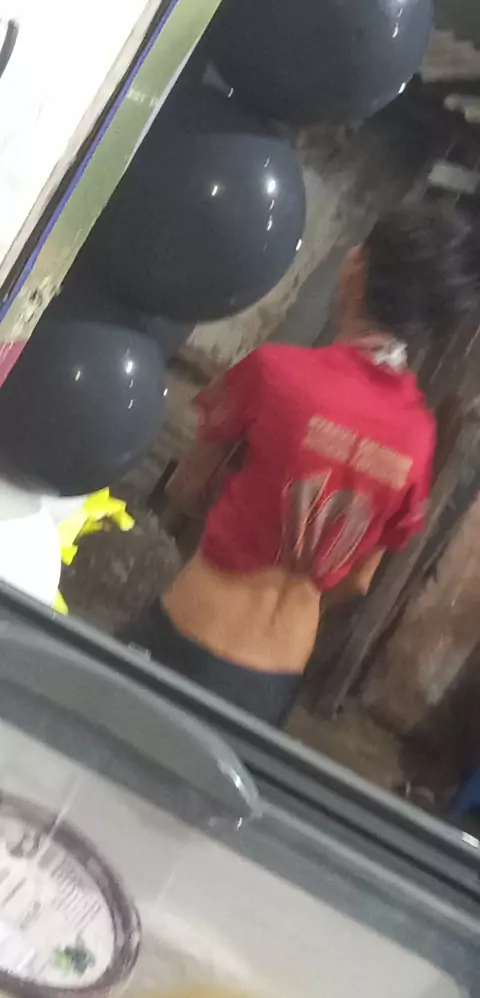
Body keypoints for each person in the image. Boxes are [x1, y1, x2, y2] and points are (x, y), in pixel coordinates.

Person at [121, 203, 480, 726]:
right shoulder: (419, 437)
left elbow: (187, 489)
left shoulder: (275, 372)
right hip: (276, 679)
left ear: (355, 269)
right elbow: (357, 582)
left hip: (191, 635)